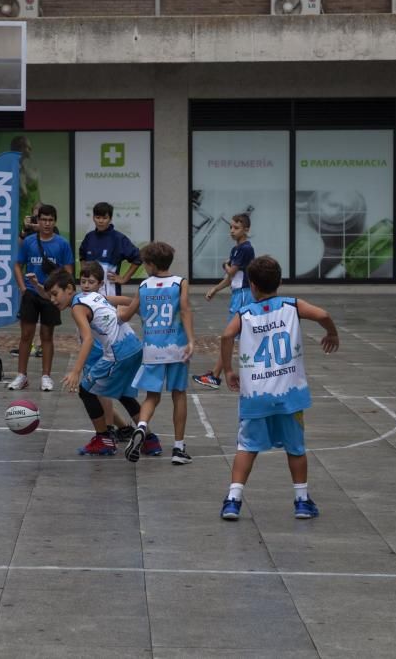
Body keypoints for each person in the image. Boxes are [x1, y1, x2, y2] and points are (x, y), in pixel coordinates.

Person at [218, 255, 339, 521]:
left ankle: (233, 501)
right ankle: (302, 501)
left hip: (255, 396)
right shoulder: (292, 306)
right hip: (289, 395)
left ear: (251, 286)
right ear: (280, 282)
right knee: (295, 447)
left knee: (246, 446)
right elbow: (324, 315)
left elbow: (226, 336)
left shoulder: (245, 314)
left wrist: (228, 369)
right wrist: (332, 333)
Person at [45, 269, 144, 457]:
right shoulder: (91, 295)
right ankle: (149, 439)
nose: (52, 300)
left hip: (118, 353)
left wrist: (75, 371)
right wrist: (139, 309)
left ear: (68, 289)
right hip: (134, 345)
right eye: (50, 296)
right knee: (122, 393)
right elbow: (121, 300)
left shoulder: (77, 307)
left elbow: (88, 339)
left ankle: (103, 440)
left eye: (55, 294)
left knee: (86, 390)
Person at [118, 241, 196, 465]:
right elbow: (185, 310)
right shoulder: (180, 283)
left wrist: (114, 308)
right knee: (178, 394)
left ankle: (141, 427)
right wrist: (191, 340)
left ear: (151, 264)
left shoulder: (144, 286)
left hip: (152, 348)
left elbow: (127, 315)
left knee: (152, 396)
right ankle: (179, 448)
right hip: (176, 348)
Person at [8, 204, 74, 392]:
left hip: (51, 296)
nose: (46, 223)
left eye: (50, 220)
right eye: (43, 220)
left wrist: (60, 293)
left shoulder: (62, 243)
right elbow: (18, 265)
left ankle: (46, 376)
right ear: (38, 221)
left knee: (47, 335)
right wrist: (23, 288)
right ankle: (22, 375)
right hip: (30, 293)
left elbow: (68, 271)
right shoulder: (28, 241)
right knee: (26, 335)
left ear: (55, 221)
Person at [193, 212, 255, 390]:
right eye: (231, 227)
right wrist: (215, 288)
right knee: (234, 337)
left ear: (246, 229)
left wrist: (225, 265)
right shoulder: (236, 249)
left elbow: (231, 272)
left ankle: (215, 375)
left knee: (230, 335)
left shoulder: (245, 249)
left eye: (236, 228)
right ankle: (215, 375)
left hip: (243, 295)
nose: (232, 231)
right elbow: (229, 279)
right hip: (237, 294)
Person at [79, 201, 142, 296]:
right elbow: (82, 257)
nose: (100, 221)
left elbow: (138, 258)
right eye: (98, 217)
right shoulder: (89, 237)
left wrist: (124, 278)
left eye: (104, 218)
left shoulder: (118, 238)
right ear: (93, 218)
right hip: (88, 294)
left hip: (110, 294)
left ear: (110, 219)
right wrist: (85, 276)